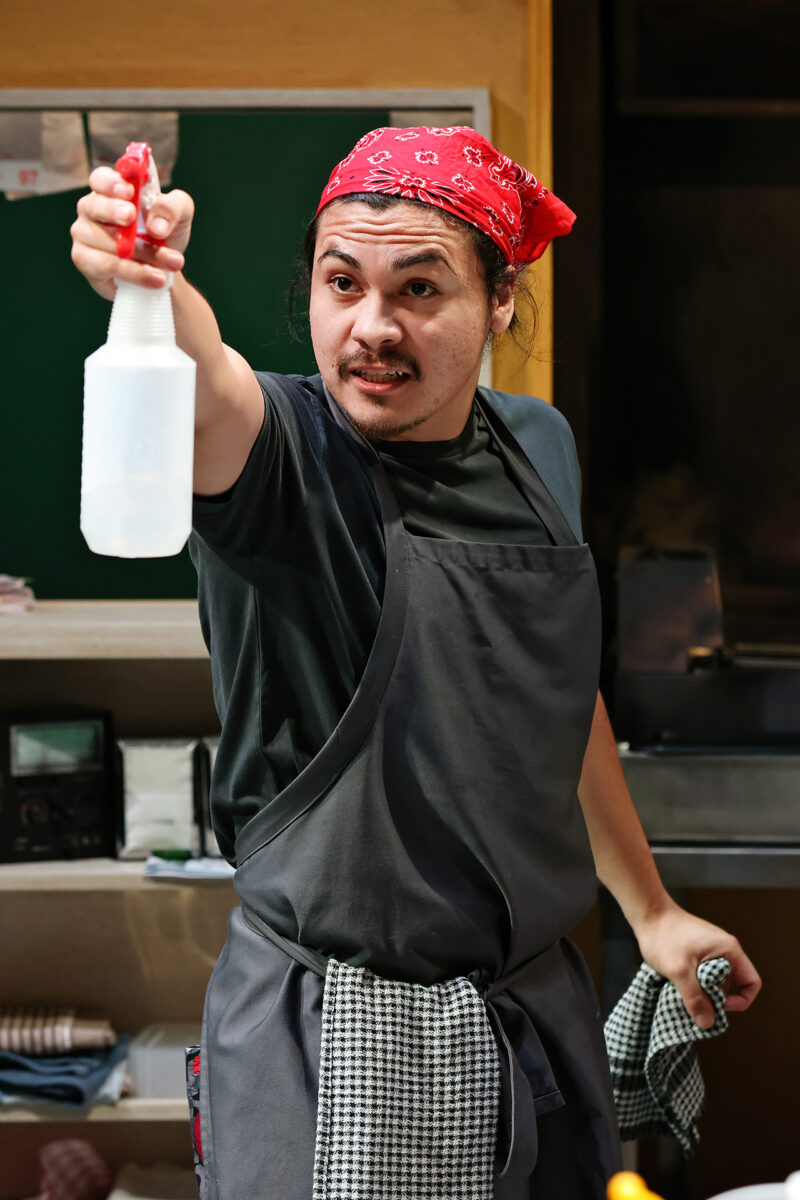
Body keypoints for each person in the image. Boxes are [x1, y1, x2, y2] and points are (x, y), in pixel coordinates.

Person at [71, 126, 761, 1200]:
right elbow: (204, 374)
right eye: (340, 282)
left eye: (419, 288)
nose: (371, 329)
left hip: (528, 1012)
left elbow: (547, 685)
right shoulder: (279, 454)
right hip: (324, 1039)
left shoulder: (536, 448)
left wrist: (651, 908)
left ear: (498, 303)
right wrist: (150, 281)